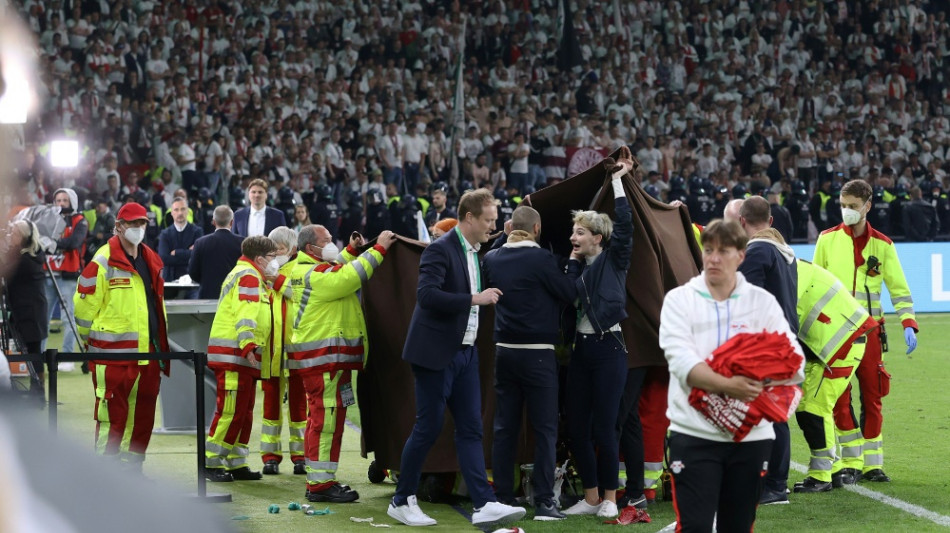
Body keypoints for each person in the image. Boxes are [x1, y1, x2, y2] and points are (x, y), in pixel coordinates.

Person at [387, 188, 525, 528]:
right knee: (428, 427)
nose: (493, 227)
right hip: (434, 353)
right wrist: (474, 299)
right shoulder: (440, 249)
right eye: (489, 221)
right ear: (469, 218)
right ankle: (401, 499)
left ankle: (483, 503)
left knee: (470, 429)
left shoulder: (474, 250)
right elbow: (427, 295)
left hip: (465, 352)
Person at [659, 220, 804, 533]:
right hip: (693, 434)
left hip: (751, 438)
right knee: (695, 527)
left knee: (737, 527)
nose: (713, 258)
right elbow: (681, 362)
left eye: (722, 251)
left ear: (741, 255)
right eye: (708, 250)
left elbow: (794, 364)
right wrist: (731, 383)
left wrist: (755, 374)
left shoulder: (762, 303)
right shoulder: (679, 300)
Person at [750, 229, 877, 492]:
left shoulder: (786, 273)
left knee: (812, 408)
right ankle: (839, 466)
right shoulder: (794, 267)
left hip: (839, 344)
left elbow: (785, 323)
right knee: (816, 405)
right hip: (837, 342)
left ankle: (822, 476)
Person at [814, 179, 918, 483]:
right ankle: (851, 462)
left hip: (871, 331)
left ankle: (874, 464)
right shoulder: (827, 239)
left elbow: (899, 289)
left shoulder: (883, 245)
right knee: (840, 398)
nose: (846, 211)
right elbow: (815, 287)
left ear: (867, 206)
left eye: (853, 207)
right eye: (843, 205)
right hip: (836, 334)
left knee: (873, 397)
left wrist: (908, 322)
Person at [483, 206, 581, 521]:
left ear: (511, 226)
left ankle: (501, 497)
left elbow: (491, 258)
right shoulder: (542, 259)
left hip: (504, 351)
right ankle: (544, 503)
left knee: (505, 428)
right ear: (537, 229)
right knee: (544, 428)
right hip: (537, 353)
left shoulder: (493, 258)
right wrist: (574, 264)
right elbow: (569, 293)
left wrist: (504, 236)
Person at [288, 225, 397, 502]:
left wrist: (350, 251)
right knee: (325, 422)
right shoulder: (316, 274)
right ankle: (321, 485)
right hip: (325, 360)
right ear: (311, 248)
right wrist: (379, 248)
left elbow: (338, 269)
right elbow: (349, 277)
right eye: (326, 241)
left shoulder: (309, 269)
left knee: (325, 421)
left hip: (325, 360)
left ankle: (320, 480)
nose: (331, 245)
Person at [562, 159, 634, 519]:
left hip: (610, 349)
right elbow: (570, 299)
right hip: (582, 351)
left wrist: (619, 182)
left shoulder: (615, 258)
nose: (572, 238)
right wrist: (573, 264)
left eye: (579, 233)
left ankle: (610, 497)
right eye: (573, 232)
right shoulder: (573, 264)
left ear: (597, 238)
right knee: (576, 426)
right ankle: (591, 498)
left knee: (605, 427)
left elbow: (626, 225)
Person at [74, 202, 170, 470]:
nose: (139, 228)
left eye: (142, 223)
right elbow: (83, 308)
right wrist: (89, 342)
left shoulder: (151, 258)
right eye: (133, 224)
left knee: (143, 417)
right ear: (118, 227)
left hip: (148, 352)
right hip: (112, 355)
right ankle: (106, 477)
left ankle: (132, 473)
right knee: (111, 419)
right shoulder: (102, 261)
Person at [725, 196, 799, 505]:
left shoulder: (757, 251)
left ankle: (775, 485)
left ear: (742, 222)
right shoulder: (784, 252)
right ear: (769, 221)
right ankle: (771, 482)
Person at [204, 235, 278, 483]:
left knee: (243, 411)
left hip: (240, 354)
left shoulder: (250, 274)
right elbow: (244, 313)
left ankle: (236, 462)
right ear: (260, 259)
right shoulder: (248, 276)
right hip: (235, 353)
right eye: (272, 257)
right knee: (231, 410)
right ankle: (211, 462)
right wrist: (248, 344)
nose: (275, 261)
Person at [259, 227, 306, 476]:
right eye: (273, 247)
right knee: (271, 406)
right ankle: (270, 457)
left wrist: (274, 279)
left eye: (279, 247)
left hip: (296, 347)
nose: (275, 252)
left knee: (299, 405)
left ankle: (301, 456)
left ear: (292, 248)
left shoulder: (299, 269)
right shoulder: (265, 270)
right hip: (271, 349)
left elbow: (298, 294)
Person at [45, 187, 88, 363]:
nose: (61, 204)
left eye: (64, 200)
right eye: (58, 200)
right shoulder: (47, 219)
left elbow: (74, 242)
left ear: (72, 201)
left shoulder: (80, 220)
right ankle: (38, 357)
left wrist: (53, 242)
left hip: (68, 275)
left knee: (68, 319)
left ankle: (68, 359)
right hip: (48, 274)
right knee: (42, 319)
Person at [5, 220, 49, 390]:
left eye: (14, 233)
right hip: (24, 310)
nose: (11, 236)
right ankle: (36, 391)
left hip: (30, 312)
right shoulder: (32, 255)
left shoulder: (25, 260)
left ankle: (37, 392)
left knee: (33, 351)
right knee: (33, 351)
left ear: (24, 236)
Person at [188, 206, 244, 299]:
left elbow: (193, 272)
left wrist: (205, 281)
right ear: (232, 222)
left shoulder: (200, 243)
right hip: (234, 296)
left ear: (213, 222)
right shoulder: (242, 243)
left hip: (207, 295)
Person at [157, 197, 204, 285]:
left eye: (183, 209)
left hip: (192, 281)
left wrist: (177, 252)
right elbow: (164, 258)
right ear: (171, 213)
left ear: (187, 211)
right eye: (176, 210)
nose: (180, 213)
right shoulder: (164, 234)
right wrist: (188, 253)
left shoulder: (197, 231)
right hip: (170, 280)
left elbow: (199, 256)